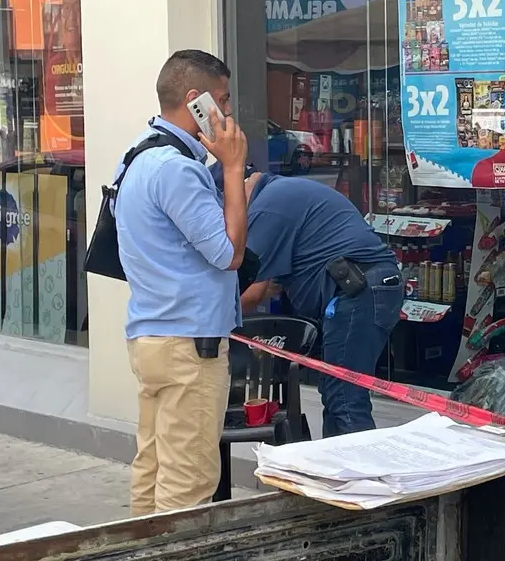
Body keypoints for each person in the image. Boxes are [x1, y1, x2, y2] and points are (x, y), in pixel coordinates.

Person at [116, 50, 248, 516]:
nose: (227, 114)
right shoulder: (176, 168)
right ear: (196, 101)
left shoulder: (138, 153)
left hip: (155, 336)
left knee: (152, 475)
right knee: (187, 488)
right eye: (223, 100)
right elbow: (228, 252)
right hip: (189, 347)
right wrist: (232, 169)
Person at [220, 167, 399, 436]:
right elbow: (268, 281)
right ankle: (338, 474)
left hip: (357, 291)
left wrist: (209, 323)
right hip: (362, 290)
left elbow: (251, 293)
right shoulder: (281, 194)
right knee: (337, 394)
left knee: (345, 399)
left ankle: (361, 475)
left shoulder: (265, 209)